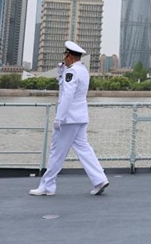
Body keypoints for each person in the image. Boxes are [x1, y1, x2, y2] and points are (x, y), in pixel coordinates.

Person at [30, 41, 109, 197]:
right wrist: (61, 73)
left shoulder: (71, 72)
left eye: (65, 56)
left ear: (70, 56)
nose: (64, 59)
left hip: (69, 118)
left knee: (56, 152)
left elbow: (67, 95)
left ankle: (47, 186)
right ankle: (99, 179)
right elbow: (68, 87)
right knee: (84, 149)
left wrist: (59, 118)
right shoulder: (82, 71)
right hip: (80, 116)